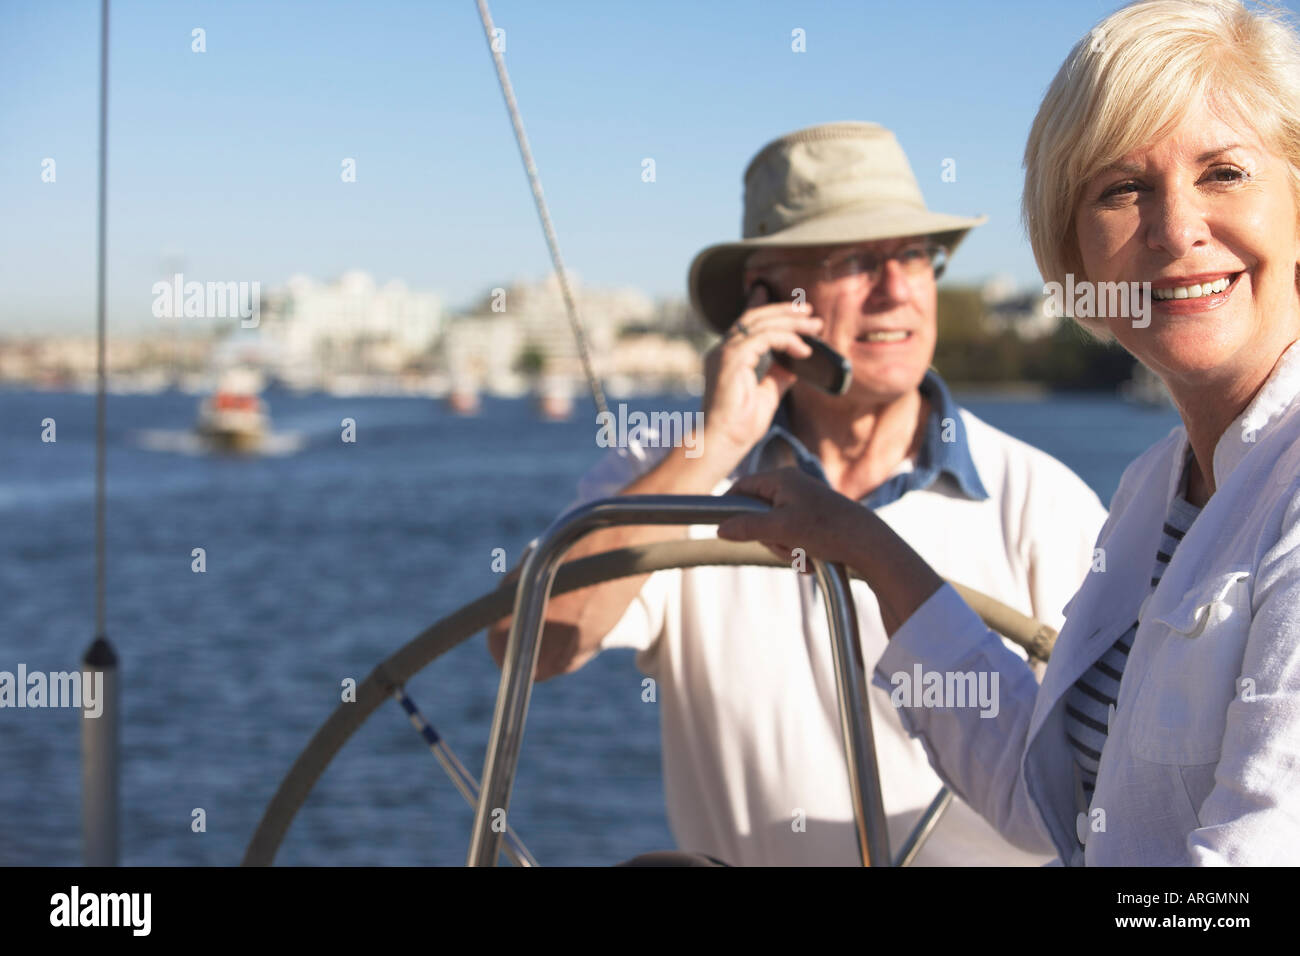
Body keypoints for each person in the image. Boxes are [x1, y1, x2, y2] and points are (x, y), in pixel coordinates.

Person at [716, 0, 1300, 865]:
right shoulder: (1159, 485)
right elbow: (1059, 803)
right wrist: (866, 546)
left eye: (1225, 173)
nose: (1176, 229)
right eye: (1122, 189)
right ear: (1074, 251)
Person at [489, 121, 1107, 865]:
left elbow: (1115, 788)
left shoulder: (1044, 502)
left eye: (914, 255)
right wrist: (714, 444)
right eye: (854, 260)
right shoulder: (676, 471)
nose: (897, 291)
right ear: (767, 300)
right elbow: (527, 645)